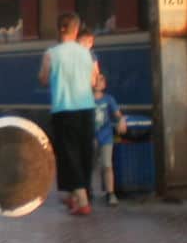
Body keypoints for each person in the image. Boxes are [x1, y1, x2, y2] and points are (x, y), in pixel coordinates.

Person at [38, 12, 97, 215]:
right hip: (87, 107)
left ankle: (82, 200)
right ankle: (78, 195)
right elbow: (92, 81)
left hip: (64, 108)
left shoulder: (51, 54)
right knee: (84, 153)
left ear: (59, 29)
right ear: (76, 29)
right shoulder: (86, 53)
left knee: (69, 154)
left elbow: (44, 79)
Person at [93, 73, 126, 205]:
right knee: (90, 165)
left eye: (101, 81)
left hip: (106, 136)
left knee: (107, 164)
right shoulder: (86, 100)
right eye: (96, 81)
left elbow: (117, 114)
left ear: (104, 84)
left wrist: (121, 121)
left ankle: (110, 193)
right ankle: (87, 191)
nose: (98, 83)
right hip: (91, 137)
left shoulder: (109, 99)